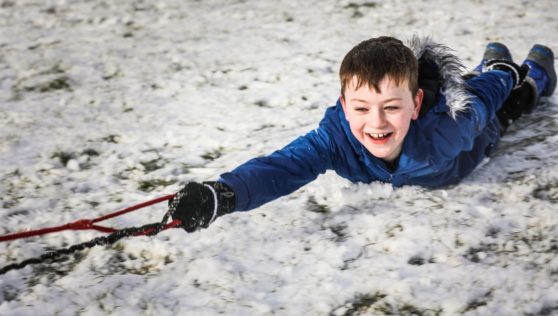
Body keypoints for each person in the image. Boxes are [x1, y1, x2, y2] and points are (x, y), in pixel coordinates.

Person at [169, 36, 556, 232]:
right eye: (360, 108)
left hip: (473, 141)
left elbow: (481, 101)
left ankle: (533, 78)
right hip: (451, 116)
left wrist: (505, 74)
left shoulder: (448, 127)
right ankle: (491, 65)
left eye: (391, 107)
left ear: (415, 104)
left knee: (505, 108)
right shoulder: (336, 137)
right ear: (343, 102)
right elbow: (286, 165)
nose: (376, 123)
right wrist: (224, 195)